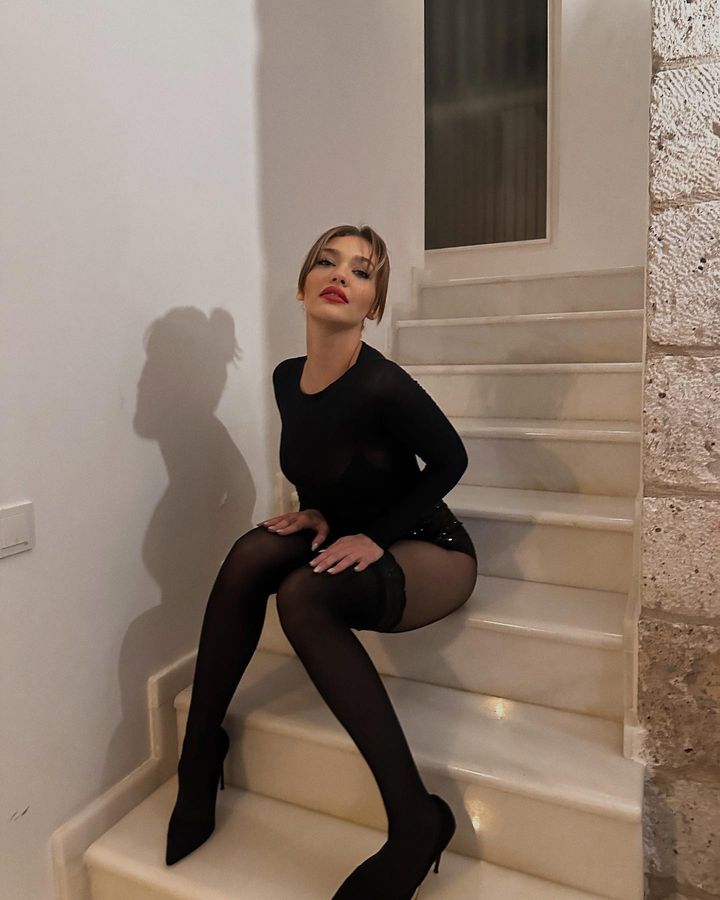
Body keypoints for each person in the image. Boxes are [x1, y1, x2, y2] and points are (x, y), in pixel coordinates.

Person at [166, 223, 478, 898]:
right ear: (303, 284)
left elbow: (450, 461)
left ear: (374, 303)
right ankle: (199, 753)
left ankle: (416, 819)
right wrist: (315, 510)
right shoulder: (288, 378)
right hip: (352, 527)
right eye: (327, 262)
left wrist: (377, 535)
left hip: (430, 547)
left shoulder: (384, 384)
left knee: (302, 595)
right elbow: (325, 458)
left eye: (361, 272)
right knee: (252, 552)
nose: (341, 275)